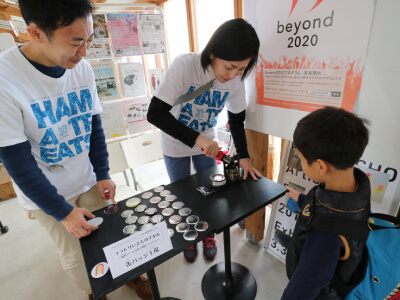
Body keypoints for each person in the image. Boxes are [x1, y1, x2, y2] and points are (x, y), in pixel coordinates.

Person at [0, 1, 150, 299]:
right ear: (36, 33)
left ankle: (131, 275)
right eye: (75, 43)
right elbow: (16, 161)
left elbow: (93, 128)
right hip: (46, 193)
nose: (84, 54)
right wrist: (63, 213)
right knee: (79, 256)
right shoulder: (5, 79)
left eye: (89, 39)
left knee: (112, 236)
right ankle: (97, 291)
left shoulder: (81, 69)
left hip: (87, 178)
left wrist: (103, 173)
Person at [147, 18, 262, 263]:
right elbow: (155, 113)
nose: (233, 75)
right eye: (230, 67)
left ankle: (206, 232)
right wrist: (196, 137)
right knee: (182, 195)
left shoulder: (236, 82)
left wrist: (244, 157)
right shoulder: (185, 66)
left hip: (206, 147)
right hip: (175, 145)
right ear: (213, 53)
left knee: (211, 192)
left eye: (241, 69)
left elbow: (236, 121)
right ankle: (190, 233)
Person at [282, 107, 371, 299]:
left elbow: (302, 289)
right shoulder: (357, 189)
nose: (302, 163)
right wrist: (302, 200)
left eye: (302, 159)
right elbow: (330, 209)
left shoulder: (325, 235)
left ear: (321, 166)